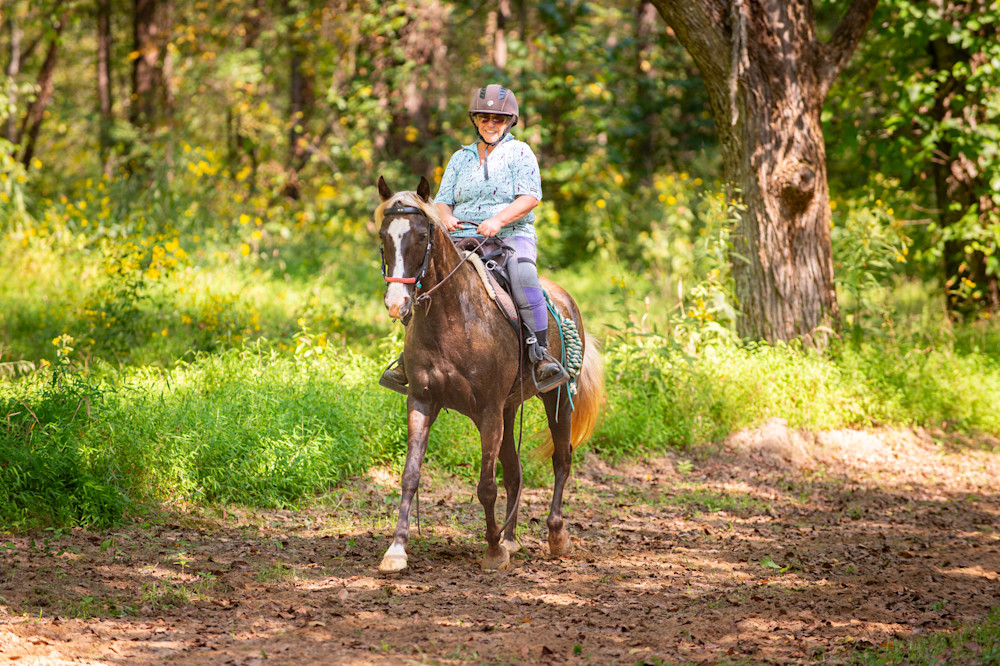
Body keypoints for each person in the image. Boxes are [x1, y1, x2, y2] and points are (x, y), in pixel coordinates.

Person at [380, 83, 570, 394]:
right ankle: (410, 358)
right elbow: (441, 201)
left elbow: (530, 197)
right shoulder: (460, 158)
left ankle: (540, 355)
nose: (491, 124)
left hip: (511, 236)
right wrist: (446, 216)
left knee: (523, 277)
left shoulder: (519, 152)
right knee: (424, 276)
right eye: (485, 118)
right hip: (462, 238)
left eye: (498, 119)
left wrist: (498, 220)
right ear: (475, 120)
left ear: (509, 122)